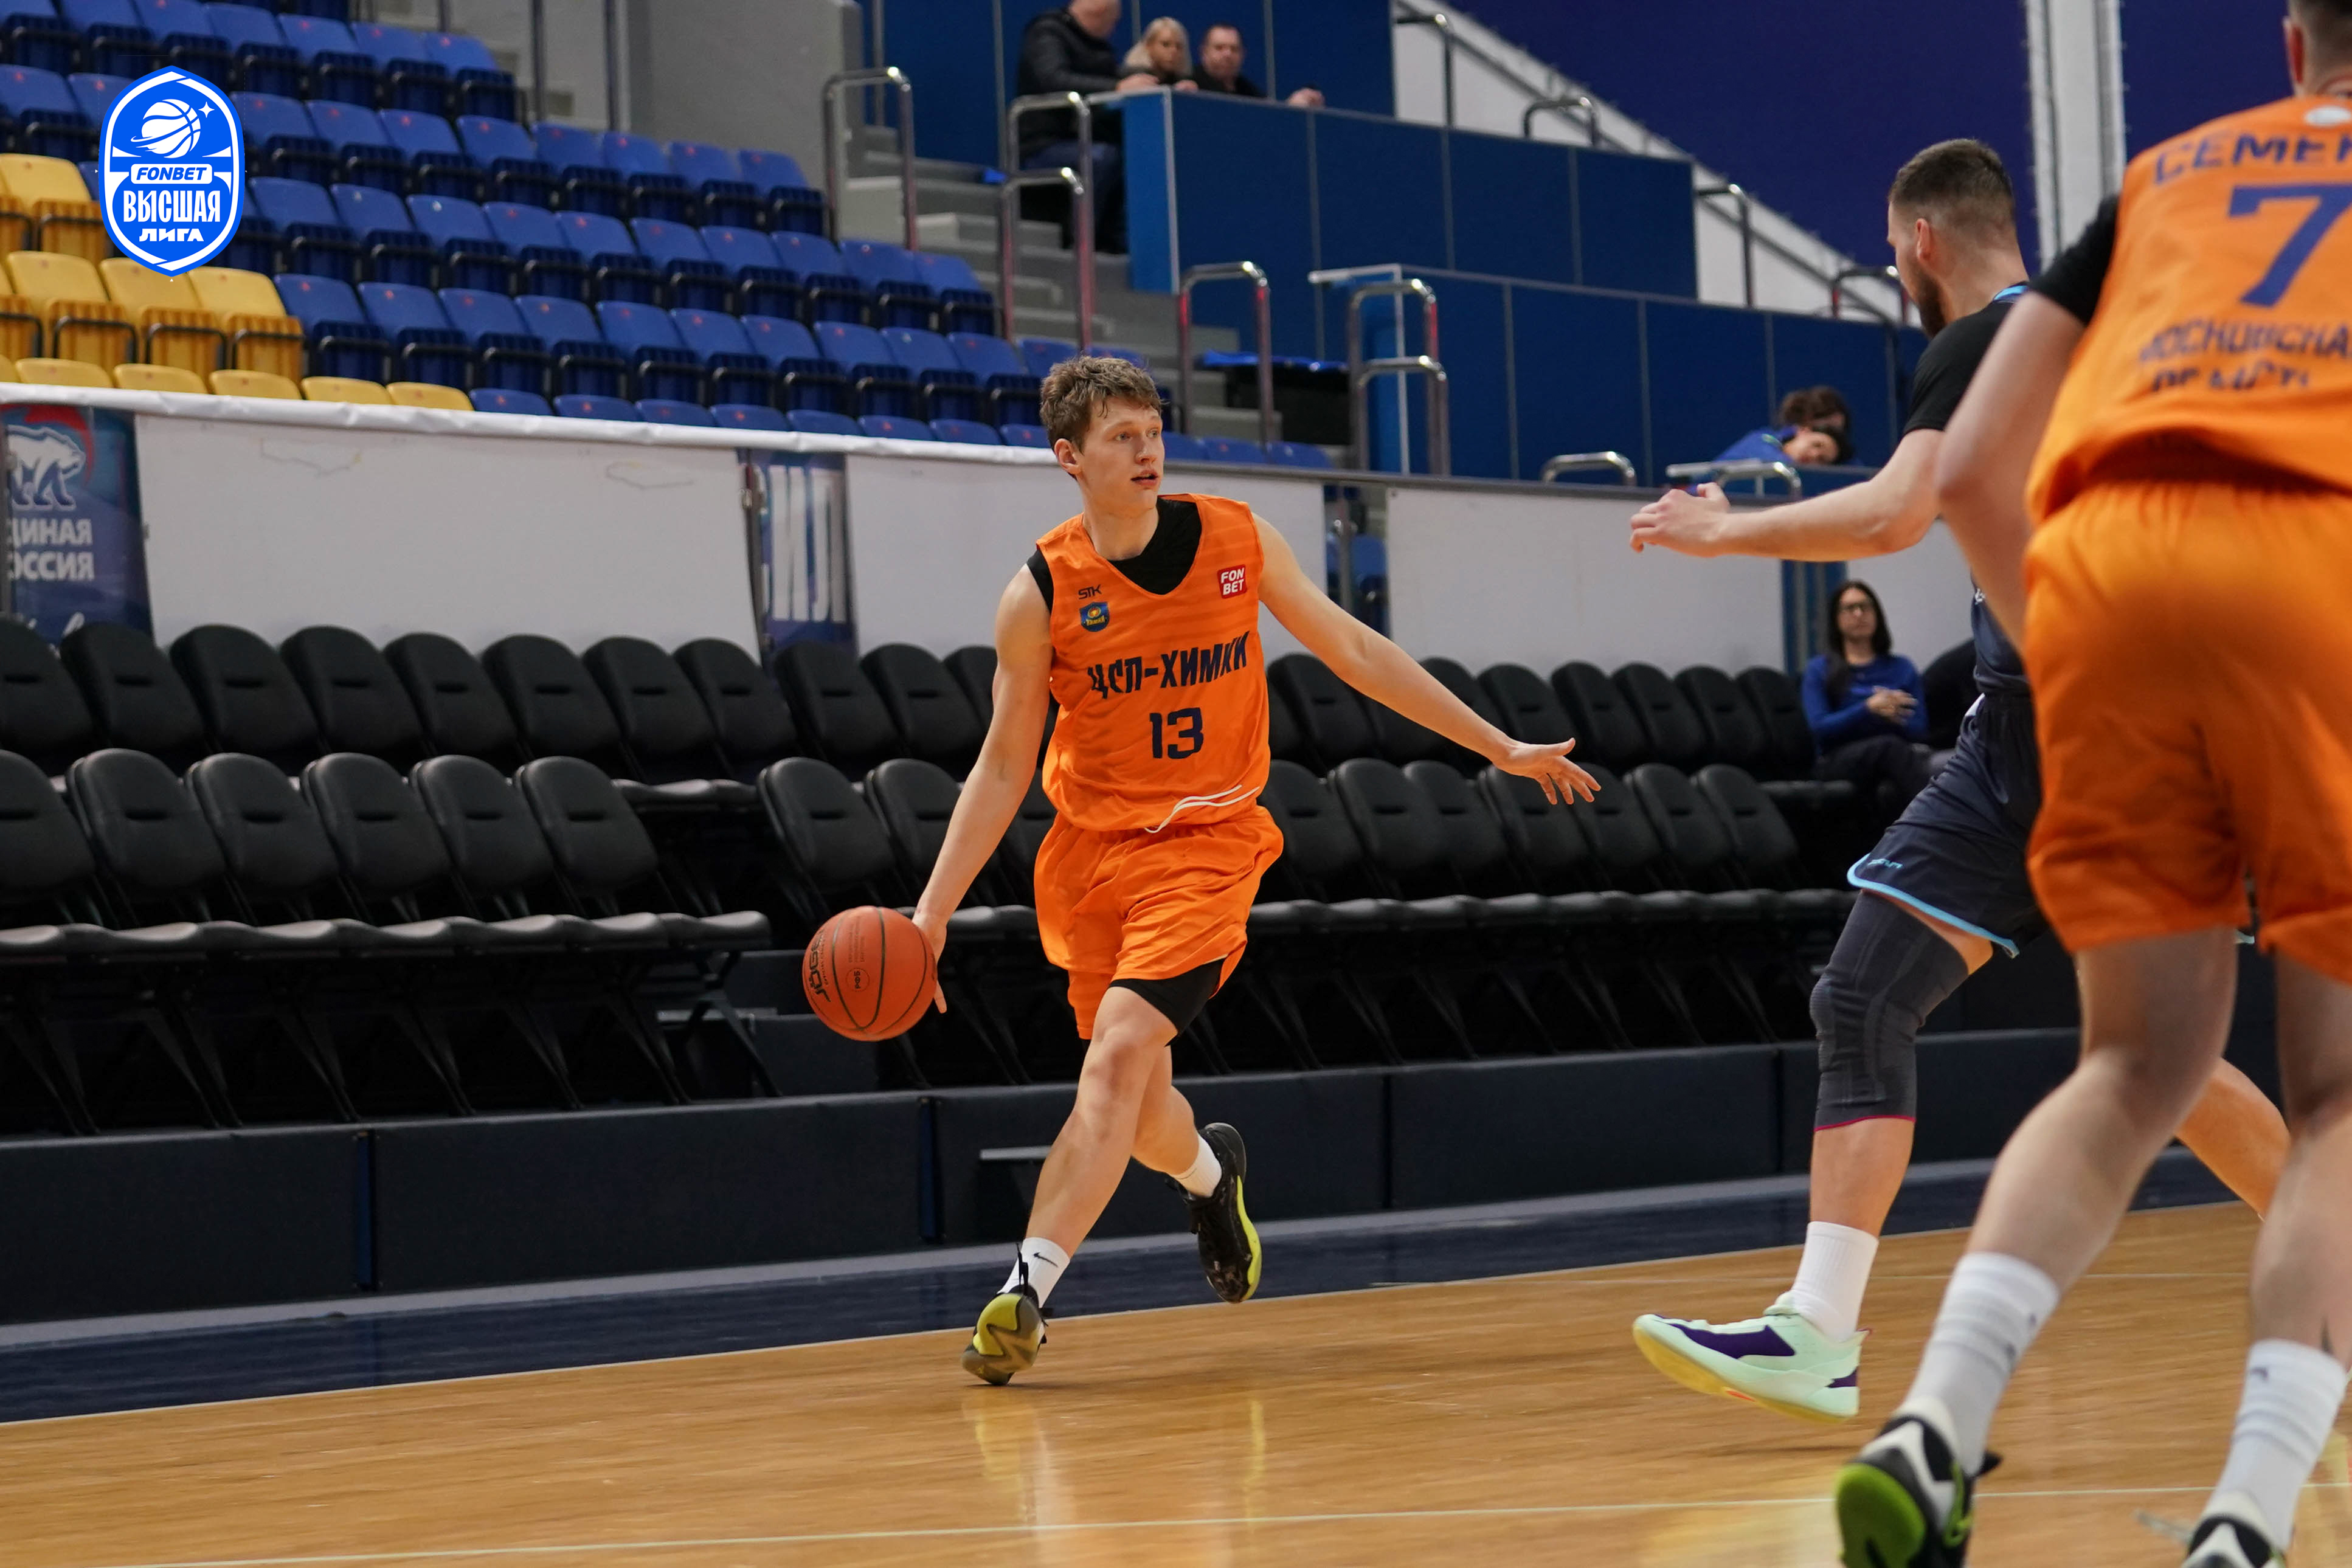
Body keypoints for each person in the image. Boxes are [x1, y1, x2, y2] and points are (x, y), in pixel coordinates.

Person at [1623, 137, 2287, 1430]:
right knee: (1882, 997)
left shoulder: (1985, 338)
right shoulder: (2109, 334)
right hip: (2046, 727)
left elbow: (1893, 513)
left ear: (1921, 241)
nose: (1896, 271)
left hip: (2093, 733)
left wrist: (1724, 529)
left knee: (2140, 1053)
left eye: (1891, 252)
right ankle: (1814, 1328)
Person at [1835, 6, 2352, 1564]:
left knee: (2129, 1065)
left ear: (2289, 42)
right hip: (2309, 574)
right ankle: (2247, 1513)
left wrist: (2068, 661)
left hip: (2109, 585)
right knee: (2332, 1098)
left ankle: (1932, 1423)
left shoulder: (2166, 175)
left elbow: (1968, 472)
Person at [922, 356, 1597, 1386]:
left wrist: (1497, 745)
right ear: (1069, 457)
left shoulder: (1237, 539)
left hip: (1208, 845)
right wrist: (930, 915)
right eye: (1120, 437)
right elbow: (1005, 763)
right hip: (1094, 858)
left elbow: (1356, 651)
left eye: (1153, 430)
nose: (1147, 449)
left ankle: (1024, 1292)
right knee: (1139, 1106)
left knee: (1114, 1056)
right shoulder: (1041, 592)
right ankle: (1210, 1171)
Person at [1017, 0, 1158, 253]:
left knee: (1133, 155)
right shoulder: (1048, 32)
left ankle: (1116, 243)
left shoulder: (1099, 49)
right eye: (1114, 22)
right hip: (1043, 144)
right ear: (1101, 13)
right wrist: (1117, 88)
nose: (1114, 29)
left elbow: (1111, 78)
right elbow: (1053, 79)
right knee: (1102, 158)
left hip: (1086, 137)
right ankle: (1079, 243)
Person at [1802, 579, 1931, 822]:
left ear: (1877, 614)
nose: (1859, 614)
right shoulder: (1820, 669)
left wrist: (1892, 716)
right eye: (1849, 609)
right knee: (1890, 748)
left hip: (1897, 753)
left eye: (1865, 607)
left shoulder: (1901, 667)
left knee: (1936, 759)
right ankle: (1938, 824)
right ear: (1836, 619)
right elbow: (1820, 729)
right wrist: (1868, 709)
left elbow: (1920, 728)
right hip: (1838, 760)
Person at [1191, 22, 1325, 108]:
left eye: (1234, 49)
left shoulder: (1247, 90)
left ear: (1243, 55)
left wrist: (1291, 109)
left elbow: (1268, 120)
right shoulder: (1191, 85)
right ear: (1204, 52)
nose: (1228, 54)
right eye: (1219, 48)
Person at [1122, 16, 1198, 89]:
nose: (1173, 51)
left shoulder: (1183, 81)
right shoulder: (1129, 78)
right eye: (1166, 44)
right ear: (1149, 46)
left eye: (1179, 47)